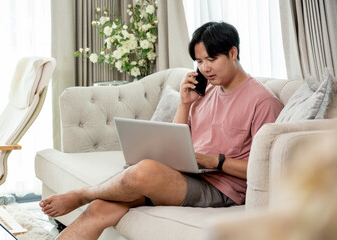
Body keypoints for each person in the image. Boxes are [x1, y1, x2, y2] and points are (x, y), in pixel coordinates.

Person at [39, 21, 284, 239]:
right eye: (199, 62)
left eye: (212, 59)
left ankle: (83, 194)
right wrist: (184, 103)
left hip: (221, 187)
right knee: (101, 208)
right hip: (189, 174)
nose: (205, 69)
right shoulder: (206, 91)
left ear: (233, 53)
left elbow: (267, 170)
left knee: (143, 170)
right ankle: (90, 199)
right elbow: (176, 139)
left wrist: (214, 161)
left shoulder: (262, 101)